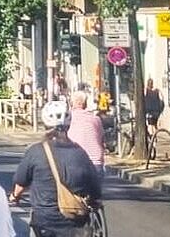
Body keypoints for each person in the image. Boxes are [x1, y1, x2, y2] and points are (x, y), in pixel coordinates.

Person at [9, 100, 101, 237]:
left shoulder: (35, 151)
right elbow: (95, 188)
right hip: (75, 222)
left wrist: (14, 197)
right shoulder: (80, 153)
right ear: (68, 126)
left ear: (45, 125)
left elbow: (21, 183)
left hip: (44, 221)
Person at [66, 91, 106, 173]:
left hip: (76, 161)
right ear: (85, 104)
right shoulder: (96, 119)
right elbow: (102, 139)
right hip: (96, 162)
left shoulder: (69, 118)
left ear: (72, 103)